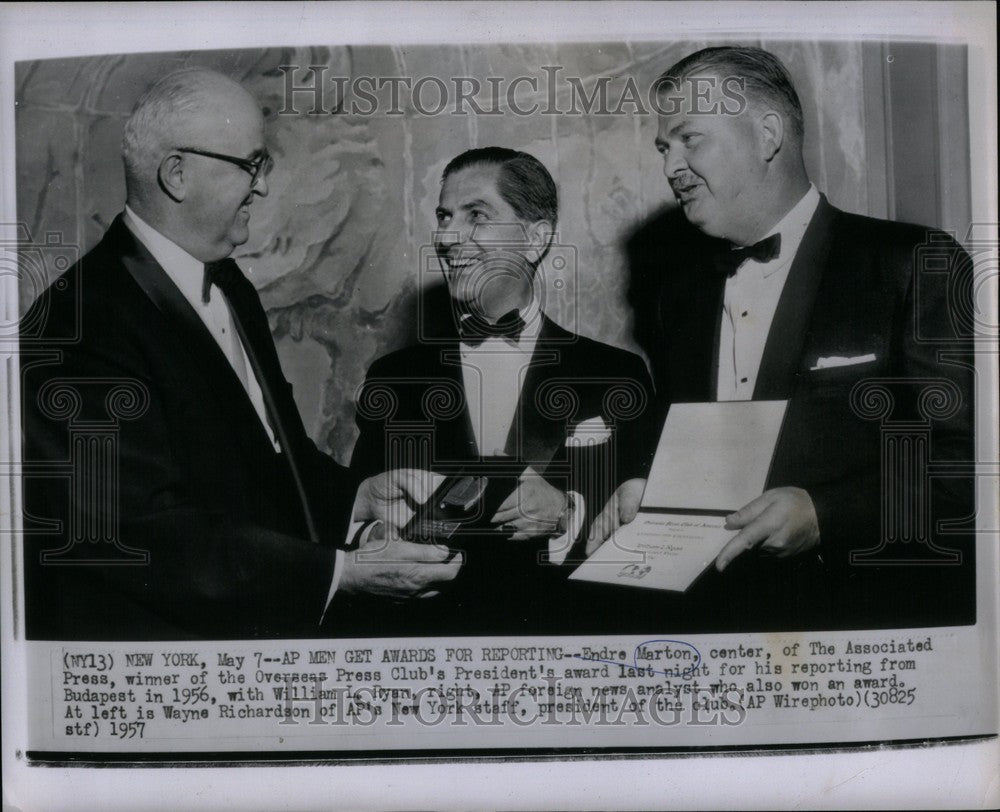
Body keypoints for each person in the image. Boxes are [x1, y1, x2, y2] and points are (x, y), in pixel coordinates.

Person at [20, 68, 460, 640]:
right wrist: (341, 572)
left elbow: (272, 461)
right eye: (251, 165)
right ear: (177, 174)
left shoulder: (230, 285)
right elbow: (140, 533)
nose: (264, 187)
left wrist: (357, 498)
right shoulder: (77, 325)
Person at [603, 46, 975, 629]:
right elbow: (693, 455)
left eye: (688, 139)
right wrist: (649, 491)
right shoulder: (679, 300)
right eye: (663, 147)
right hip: (714, 627)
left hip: (860, 625)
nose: (670, 167)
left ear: (768, 134)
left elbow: (964, 468)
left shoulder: (913, 262)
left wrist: (826, 514)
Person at [349, 147, 654, 634]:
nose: (447, 238)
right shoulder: (393, 376)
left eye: (476, 216)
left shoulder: (615, 374)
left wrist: (566, 513)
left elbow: (647, 527)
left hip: (568, 642)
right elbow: (357, 510)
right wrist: (378, 534)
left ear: (535, 239)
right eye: (445, 217)